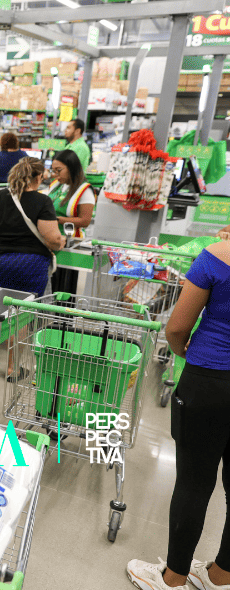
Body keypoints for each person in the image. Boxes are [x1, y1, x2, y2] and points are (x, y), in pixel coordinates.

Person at [126, 240, 230, 590]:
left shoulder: (217, 256)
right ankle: (220, 576)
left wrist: (182, 350)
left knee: (194, 483)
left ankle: (173, 579)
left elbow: (176, 328)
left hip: (210, 380)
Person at [0, 157, 65, 296]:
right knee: (27, 307)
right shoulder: (43, 201)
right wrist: (61, 241)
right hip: (30, 266)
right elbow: (53, 239)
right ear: (38, 177)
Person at [44, 148, 95, 238]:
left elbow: (85, 221)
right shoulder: (57, 185)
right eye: (54, 171)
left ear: (71, 167)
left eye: (59, 170)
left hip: (70, 239)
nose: (56, 174)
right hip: (52, 236)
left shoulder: (85, 190)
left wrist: (57, 220)